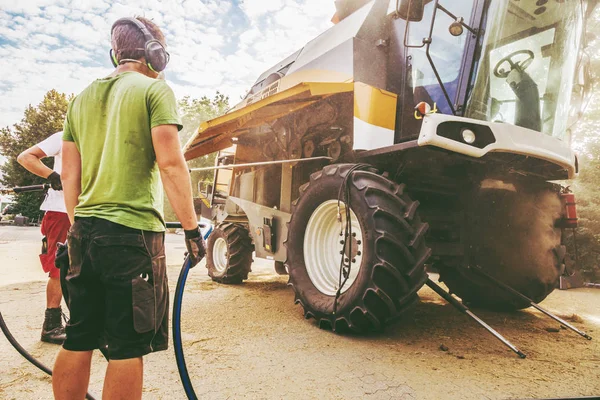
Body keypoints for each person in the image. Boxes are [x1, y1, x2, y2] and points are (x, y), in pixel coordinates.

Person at [52, 16, 205, 400]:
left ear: (114, 53)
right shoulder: (155, 91)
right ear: (156, 54)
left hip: (83, 232)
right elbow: (171, 164)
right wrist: (191, 230)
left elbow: (70, 175)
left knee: (79, 335)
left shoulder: (81, 98)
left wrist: (78, 228)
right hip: (130, 236)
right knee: (126, 346)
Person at [17, 131, 70, 344]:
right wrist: (52, 175)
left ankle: (83, 319)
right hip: (60, 211)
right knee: (59, 268)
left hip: (88, 209)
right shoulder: (65, 135)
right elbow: (25, 157)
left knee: (87, 267)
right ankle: (51, 325)